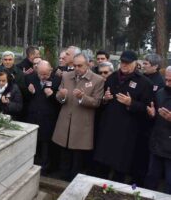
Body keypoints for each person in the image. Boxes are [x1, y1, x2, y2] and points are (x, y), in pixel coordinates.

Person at [94, 50, 154, 184]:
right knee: (102, 165)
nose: (124, 65)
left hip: (127, 132)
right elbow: (102, 102)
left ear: (135, 64)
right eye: (122, 62)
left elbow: (147, 109)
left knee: (119, 167)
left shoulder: (144, 83)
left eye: (128, 63)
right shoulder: (112, 78)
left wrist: (131, 103)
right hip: (108, 128)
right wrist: (105, 99)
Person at [52, 53, 104, 181]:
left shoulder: (97, 80)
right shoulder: (66, 76)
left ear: (88, 65)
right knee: (64, 152)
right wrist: (62, 95)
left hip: (82, 123)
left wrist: (82, 98)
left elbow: (97, 102)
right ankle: (62, 178)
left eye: (80, 65)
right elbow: (59, 97)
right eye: (74, 65)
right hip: (65, 121)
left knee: (78, 155)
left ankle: (74, 180)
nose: (76, 68)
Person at [26, 60, 61, 172]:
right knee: (34, 144)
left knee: (46, 145)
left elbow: (60, 102)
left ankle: (45, 169)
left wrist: (51, 95)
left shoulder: (57, 80)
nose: (43, 77)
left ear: (51, 71)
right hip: (33, 117)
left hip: (48, 119)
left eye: (46, 74)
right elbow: (25, 99)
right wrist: (29, 92)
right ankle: (32, 166)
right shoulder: (30, 78)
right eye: (41, 74)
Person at [145, 66, 171, 194]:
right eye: (166, 80)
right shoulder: (160, 93)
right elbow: (154, 118)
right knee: (151, 178)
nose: (167, 83)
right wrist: (152, 114)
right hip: (157, 144)